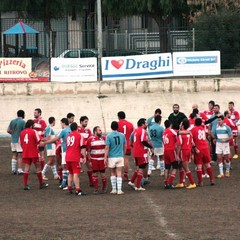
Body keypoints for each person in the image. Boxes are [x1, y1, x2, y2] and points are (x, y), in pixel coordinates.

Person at [41, 118, 71, 189]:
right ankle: (64, 181)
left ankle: (66, 183)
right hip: (70, 150)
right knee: (66, 166)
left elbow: (56, 138)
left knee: (63, 166)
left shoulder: (63, 130)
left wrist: (44, 142)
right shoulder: (71, 130)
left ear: (63, 123)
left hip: (64, 150)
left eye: (61, 123)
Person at [19, 120, 48, 190]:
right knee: (38, 167)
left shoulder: (21, 133)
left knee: (26, 168)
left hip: (25, 152)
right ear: (31, 125)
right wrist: (47, 140)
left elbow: (20, 143)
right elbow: (38, 140)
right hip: (34, 152)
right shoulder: (33, 131)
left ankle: (25, 185)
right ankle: (41, 184)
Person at [128, 118, 153, 191]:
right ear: (142, 124)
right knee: (142, 168)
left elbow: (132, 141)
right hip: (141, 152)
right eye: (145, 123)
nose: (146, 124)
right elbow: (143, 141)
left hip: (136, 152)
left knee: (139, 168)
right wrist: (150, 147)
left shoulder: (135, 130)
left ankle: (132, 181)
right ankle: (138, 186)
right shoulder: (143, 131)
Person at [191, 118, 215, 186]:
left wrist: (194, 148)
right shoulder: (202, 128)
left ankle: (200, 182)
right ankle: (211, 179)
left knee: (199, 166)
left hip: (199, 149)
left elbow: (191, 140)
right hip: (205, 148)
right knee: (208, 164)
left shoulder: (193, 129)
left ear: (195, 123)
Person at [105, 121, 126, 195]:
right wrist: (123, 153)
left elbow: (107, 147)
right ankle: (119, 190)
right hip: (120, 156)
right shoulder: (122, 135)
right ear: (118, 127)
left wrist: (105, 157)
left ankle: (114, 189)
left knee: (112, 172)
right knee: (119, 172)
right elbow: (124, 145)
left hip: (112, 156)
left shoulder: (109, 136)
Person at [66, 122, 87, 196]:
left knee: (70, 173)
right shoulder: (79, 135)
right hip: (75, 157)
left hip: (67, 156)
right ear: (77, 128)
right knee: (76, 173)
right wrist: (84, 157)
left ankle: (69, 188)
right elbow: (83, 147)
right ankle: (78, 190)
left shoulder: (68, 136)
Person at [175, 118, 196, 189]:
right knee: (181, 166)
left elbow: (179, 145)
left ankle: (192, 183)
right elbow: (192, 143)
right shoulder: (189, 133)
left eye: (181, 124)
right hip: (188, 150)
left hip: (183, 151)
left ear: (182, 125)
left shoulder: (180, 134)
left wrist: (177, 155)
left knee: (185, 167)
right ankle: (181, 182)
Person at [86, 126, 107, 194]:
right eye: (99, 130)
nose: (101, 132)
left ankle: (104, 188)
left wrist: (106, 159)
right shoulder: (90, 140)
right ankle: (96, 189)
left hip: (102, 159)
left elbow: (107, 149)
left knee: (103, 174)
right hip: (94, 159)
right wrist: (90, 161)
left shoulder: (104, 138)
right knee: (94, 173)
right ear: (95, 131)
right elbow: (88, 151)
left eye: (101, 130)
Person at [7, 110, 25, 175]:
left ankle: (13, 169)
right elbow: (24, 131)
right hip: (19, 140)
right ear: (23, 115)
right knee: (20, 155)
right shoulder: (23, 122)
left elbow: (8, 130)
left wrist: (13, 133)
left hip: (12, 140)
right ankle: (20, 170)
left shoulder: (12, 121)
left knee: (14, 154)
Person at [117, 111, 134, 181]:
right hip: (128, 144)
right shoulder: (130, 124)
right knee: (126, 159)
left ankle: (118, 174)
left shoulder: (117, 124)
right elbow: (133, 133)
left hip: (120, 144)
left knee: (118, 160)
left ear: (118, 117)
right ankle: (126, 174)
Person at [78, 116, 93, 187]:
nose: (86, 123)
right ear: (81, 121)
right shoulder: (77, 129)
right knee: (77, 168)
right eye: (85, 121)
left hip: (86, 151)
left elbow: (90, 140)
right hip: (78, 152)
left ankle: (91, 181)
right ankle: (74, 184)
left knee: (90, 166)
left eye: (87, 122)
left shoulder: (88, 130)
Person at [162, 120, 178, 189]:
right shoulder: (172, 131)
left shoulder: (164, 133)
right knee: (175, 167)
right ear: (170, 124)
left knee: (167, 168)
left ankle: (165, 183)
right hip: (172, 151)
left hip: (165, 151)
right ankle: (170, 182)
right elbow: (179, 133)